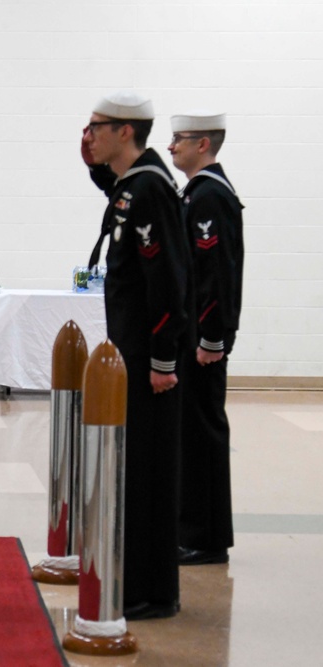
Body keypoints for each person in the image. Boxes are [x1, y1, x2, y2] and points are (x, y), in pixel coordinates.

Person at [81, 91, 193, 620]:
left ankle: (153, 591)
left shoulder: (151, 188)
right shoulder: (134, 182)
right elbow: (120, 202)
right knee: (135, 469)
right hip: (134, 351)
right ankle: (140, 580)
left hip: (152, 360)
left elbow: (167, 278)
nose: (90, 133)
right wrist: (95, 170)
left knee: (149, 473)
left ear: (125, 131)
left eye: (97, 126)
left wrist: (163, 361)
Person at [168, 110, 244, 566]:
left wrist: (212, 337)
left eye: (180, 139)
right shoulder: (199, 192)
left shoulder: (210, 196)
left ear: (203, 144)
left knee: (202, 434)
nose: (172, 145)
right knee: (192, 433)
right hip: (193, 333)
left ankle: (206, 538)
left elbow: (214, 274)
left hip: (202, 337)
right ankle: (194, 529)